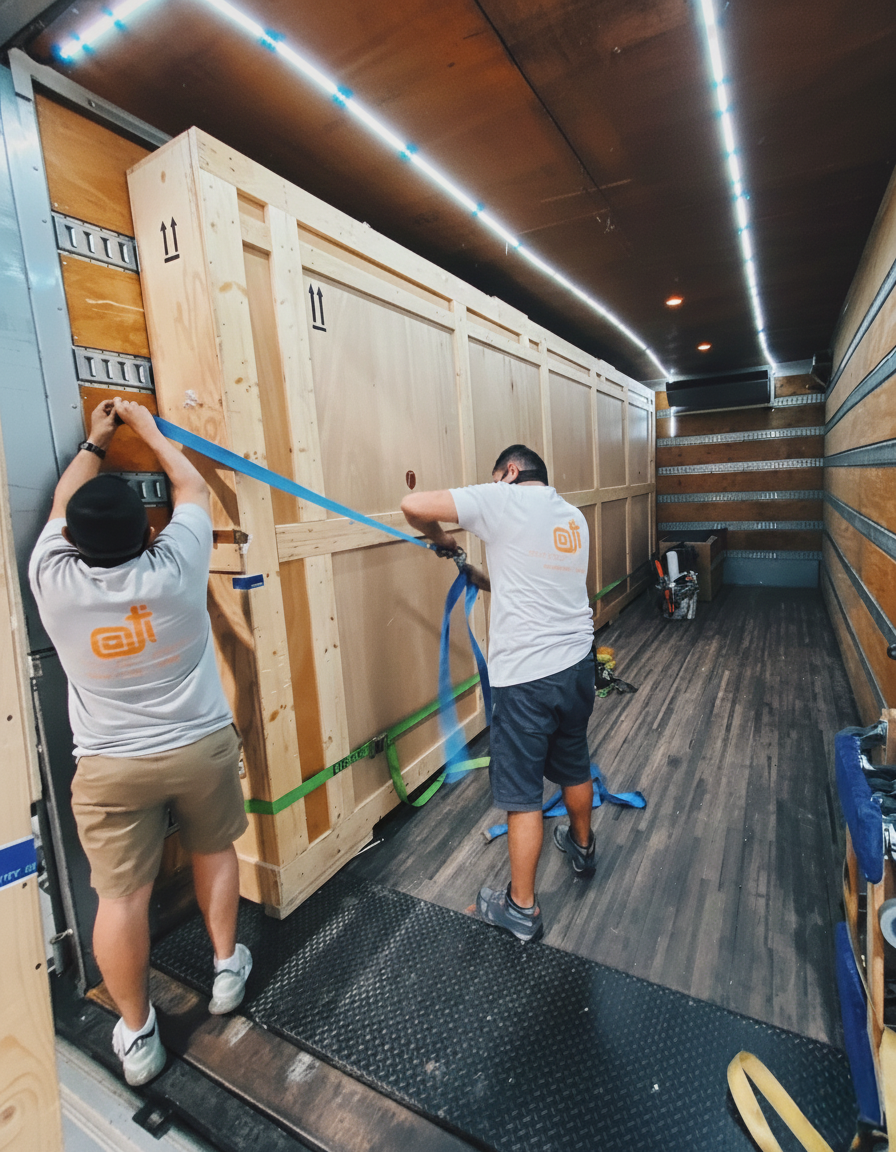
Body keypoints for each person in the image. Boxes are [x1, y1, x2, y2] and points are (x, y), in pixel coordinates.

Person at [29, 397, 252, 1086]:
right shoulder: (176, 565)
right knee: (214, 850)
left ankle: (139, 1035)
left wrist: (95, 441)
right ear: (147, 530)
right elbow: (189, 487)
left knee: (121, 899)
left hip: (110, 768)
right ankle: (226, 971)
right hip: (201, 749)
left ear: (74, 542)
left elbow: (59, 507)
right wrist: (147, 428)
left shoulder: (53, 580)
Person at [401, 444, 596, 943]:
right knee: (574, 761)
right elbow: (534, 584)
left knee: (522, 793)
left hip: (527, 679)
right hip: (577, 666)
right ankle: (583, 847)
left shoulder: (501, 498)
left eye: (495, 477)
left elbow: (413, 506)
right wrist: (478, 576)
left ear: (510, 472)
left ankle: (521, 908)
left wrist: (443, 538)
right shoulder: (573, 518)